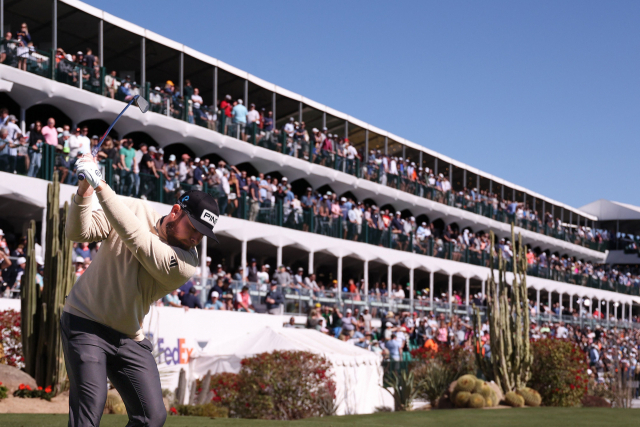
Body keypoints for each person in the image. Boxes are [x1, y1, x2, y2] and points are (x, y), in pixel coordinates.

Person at [62, 156, 220, 427]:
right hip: (84, 321)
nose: (196, 238)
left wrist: (100, 185)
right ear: (175, 212)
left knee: (153, 416)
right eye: (193, 228)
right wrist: (84, 190)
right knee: (91, 405)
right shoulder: (134, 208)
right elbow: (78, 232)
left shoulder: (186, 263)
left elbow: (138, 240)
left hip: (128, 336)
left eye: (202, 234)